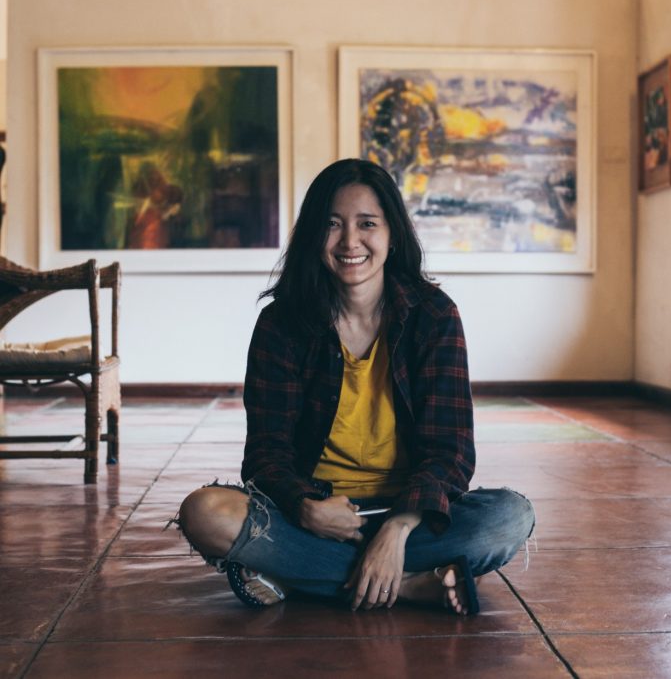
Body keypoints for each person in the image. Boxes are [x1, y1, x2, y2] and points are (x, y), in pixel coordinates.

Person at [177, 158, 535, 615]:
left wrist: (397, 529)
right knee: (204, 513)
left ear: (391, 233)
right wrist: (306, 505)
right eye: (332, 225)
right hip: (319, 518)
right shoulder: (282, 324)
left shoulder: (434, 315)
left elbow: (452, 451)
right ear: (313, 235)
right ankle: (409, 586)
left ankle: (300, 574)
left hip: (411, 514)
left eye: (367, 224)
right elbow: (266, 452)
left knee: (509, 517)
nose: (350, 242)